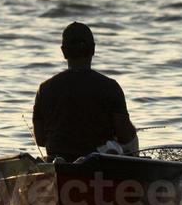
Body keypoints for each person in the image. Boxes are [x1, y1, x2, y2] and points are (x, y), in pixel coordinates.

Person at [31, 22, 138, 160]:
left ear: (64, 52)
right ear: (93, 49)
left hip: (58, 163)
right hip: (97, 164)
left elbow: (40, 140)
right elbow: (126, 136)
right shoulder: (110, 87)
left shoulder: (44, 89)